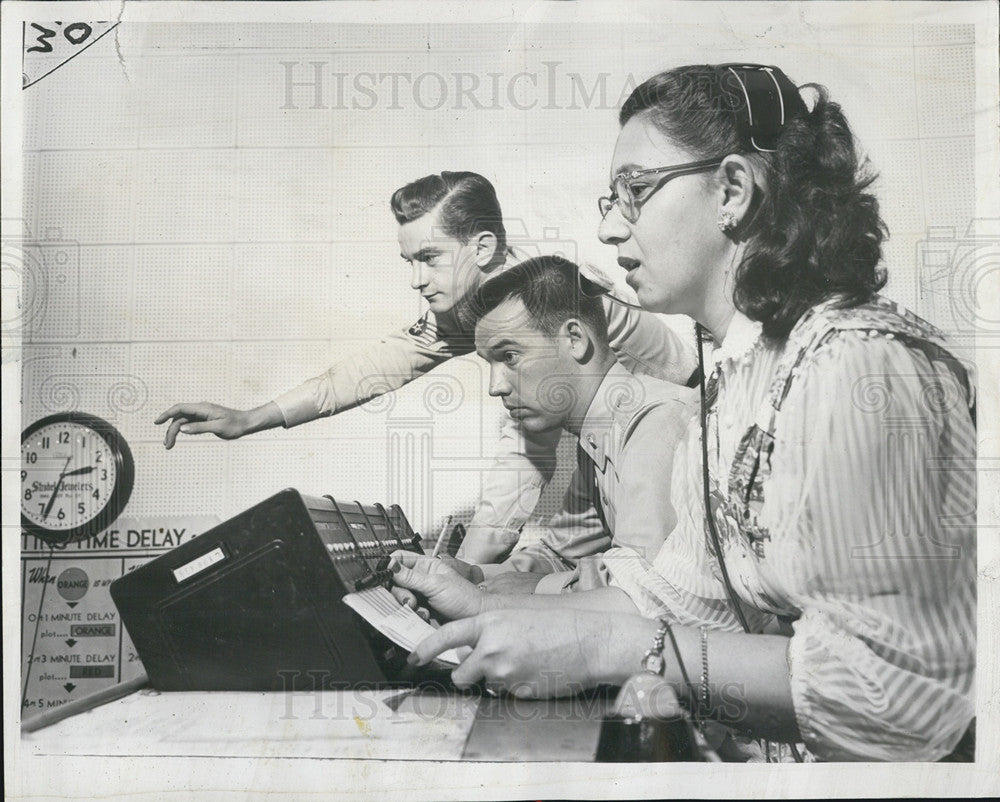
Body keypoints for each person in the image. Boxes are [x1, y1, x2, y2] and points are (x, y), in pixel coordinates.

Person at [390, 64, 976, 762]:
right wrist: (484, 609)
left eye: (634, 192)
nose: (608, 228)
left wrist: (617, 648)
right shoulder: (740, 382)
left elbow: (901, 698)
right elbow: (679, 600)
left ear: (731, 190)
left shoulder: (858, 371)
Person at [154, 172, 697, 567]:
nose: (416, 279)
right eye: (408, 261)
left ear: (483, 247)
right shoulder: (473, 304)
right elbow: (375, 367)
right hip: (603, 443)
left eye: (429, 257)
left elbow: (524, 461)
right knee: (545, 565)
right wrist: (250, 418)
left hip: (672, 418)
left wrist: (464, 572)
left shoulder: (524, 306)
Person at [393, 255, 694, 604]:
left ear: (574, 339)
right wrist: (470, 575)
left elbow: (638, 595)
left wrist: (509, 593)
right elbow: (560, 555)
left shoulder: (653, 424)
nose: (496, 386)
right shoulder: (598, 435)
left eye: (508, 357)